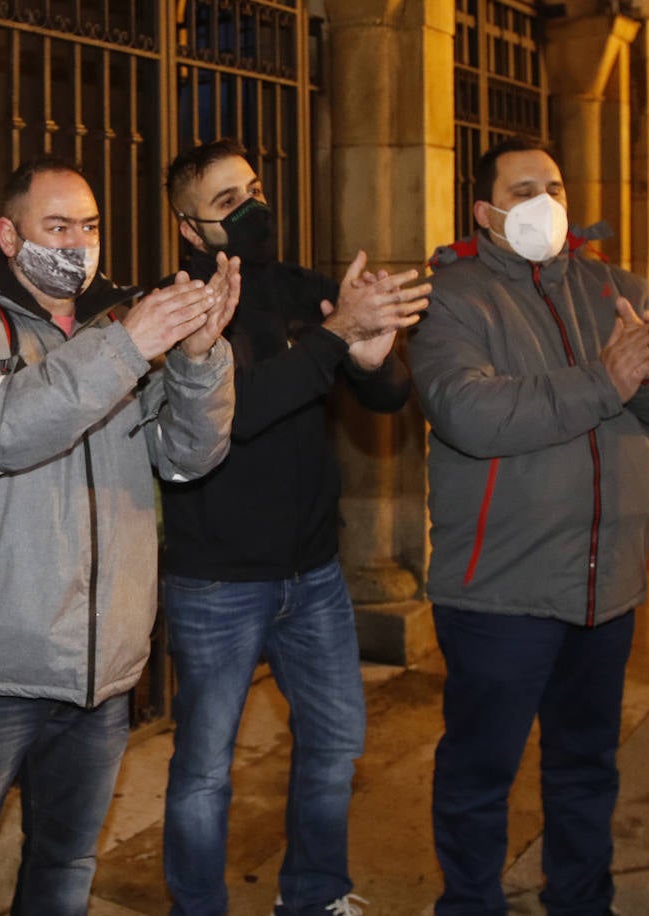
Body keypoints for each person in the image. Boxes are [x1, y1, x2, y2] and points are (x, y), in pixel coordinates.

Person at [0, 156, 240, 916]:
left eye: (88, 227)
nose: (78, 243)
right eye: (57, 226)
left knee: (64, 866)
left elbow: (188, 458)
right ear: (8, 234)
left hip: (105, 667)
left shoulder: (111, 329)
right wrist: (128, 346)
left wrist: (197, 358)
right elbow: (0, 432)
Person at [408, 136, 649, 915]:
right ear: (485, 212)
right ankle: (471, 904)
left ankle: (581, 900)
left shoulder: (615, 285)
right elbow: (471, 413)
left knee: (587, 768)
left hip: (605, 588)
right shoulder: (456, 298)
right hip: (501, 593)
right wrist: (605, 377)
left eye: (555, 186)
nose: (544, 201)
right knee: (481, 774)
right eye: (522, 189)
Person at [156, 138, 431, 916]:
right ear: (189, 228)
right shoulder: (182, 305)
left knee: (337, 743)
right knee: (206, 766)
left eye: (252, 190)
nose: (251, 210)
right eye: (225, 203)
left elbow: (383, 401)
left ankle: (315, 894)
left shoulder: (308, 292)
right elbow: (239, 413)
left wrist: (376, 354)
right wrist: (337, 335)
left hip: (313, 572)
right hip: (216, 578)